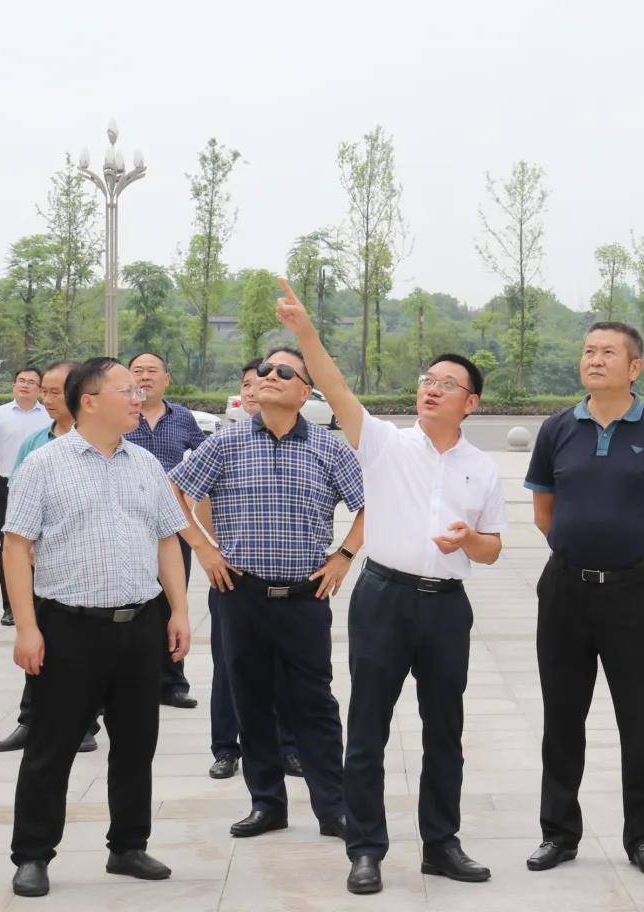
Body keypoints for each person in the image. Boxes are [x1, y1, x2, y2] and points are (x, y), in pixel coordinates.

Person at [274, 278, 506, 896]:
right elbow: (335, 387)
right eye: (428, 379)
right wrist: (306, 333)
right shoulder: (383, 444)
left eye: (447, 384)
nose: (432, 388)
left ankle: (441, 844)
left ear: (470, 403)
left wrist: (468, 540)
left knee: (444, 730)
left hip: (446, 607)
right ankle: (365, 849)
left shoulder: (482, 468)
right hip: (383, 599)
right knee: (369, 727)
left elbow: (492, 549)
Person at [2, 357, 191, 898]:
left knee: (136, 743)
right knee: (52, 745)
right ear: (89, 401)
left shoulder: (145, 464)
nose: (138, 398)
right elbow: (16, 547)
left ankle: (128, 845)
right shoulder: (44, 464)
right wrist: (26, 628)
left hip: (140, 624)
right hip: (69, 627)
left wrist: (178, 611)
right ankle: (33, 853)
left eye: (139, 390)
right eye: (126, 390)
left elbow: (167, 540)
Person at [169, 344, 364, 845]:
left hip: (305, 598)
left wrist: (344, 555)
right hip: (241, 594)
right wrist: (204, 548)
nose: (268, 376)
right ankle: (267, 804)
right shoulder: (226, 442)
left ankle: (333, 808)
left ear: (305, 392)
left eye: (283, 372)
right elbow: (172, 491)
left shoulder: (329, 448)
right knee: (250, 701)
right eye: (263, 370)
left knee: (315, 704)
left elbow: (371, 503)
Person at [525, 322, 644, 878]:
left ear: (634, 367)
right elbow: (544, 510)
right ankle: (558, 833)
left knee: (640, 719)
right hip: (565, 589)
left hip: (633, 591)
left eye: (607, 352)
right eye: (588, 350)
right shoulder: (557, 428)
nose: (594, 359)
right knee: (562, 717)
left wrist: (638, 555)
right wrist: (579, 545)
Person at [0, 361, 99, 755]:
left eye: (55, 391)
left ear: (79, 393)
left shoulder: (102, 441)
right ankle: (30, 719)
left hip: (88, 565)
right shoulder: (36, 442)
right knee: (38, 641)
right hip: (42, 564)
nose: (47, 398)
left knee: (85, 650)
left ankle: (85, 723)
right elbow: (18, 501)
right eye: (45, 391)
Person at [202, 359, 301, 780]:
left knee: (285, 671)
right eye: (247, 383)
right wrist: (213, 547)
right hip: (235, 579)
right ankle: (227, 748)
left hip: (291, 585)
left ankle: (288, 746)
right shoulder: (225, 443)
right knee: (229, 668)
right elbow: (193, 496)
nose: (255, 388)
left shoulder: (304, 442)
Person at [124, 352, 207, 709]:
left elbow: (206, 456)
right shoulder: (121, 414)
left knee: (172, 602)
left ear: (166, 378)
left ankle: (172, 682)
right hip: (127, 522)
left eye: (151, 371)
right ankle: (126, 683)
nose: (144, 377)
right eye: (137, 371)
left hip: (172, 525)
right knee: (128, 604)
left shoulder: (183, 417)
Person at [0, 368, 51, 626]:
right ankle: (11, 607)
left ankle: (43, 603)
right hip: (8, 486)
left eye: (31, 382)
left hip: (46, 486)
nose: (25, 385)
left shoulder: (49, 414)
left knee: (45, 544)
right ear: (14, 385)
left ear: (40, 388)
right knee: (9, 546)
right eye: (21, 381)